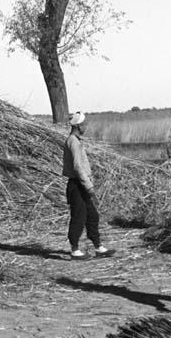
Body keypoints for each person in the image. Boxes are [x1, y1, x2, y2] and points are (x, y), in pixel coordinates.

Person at [62, 111, 115, 260]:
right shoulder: (73, 141)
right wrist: (89, 186)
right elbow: (78, 167)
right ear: (78, 125)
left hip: (81, 184)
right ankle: (74, 249)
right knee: (79, 216)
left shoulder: (76, 140)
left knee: (92, 215)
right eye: (84, 123)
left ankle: (98, 247)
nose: (86, 126)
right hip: (77, 185)